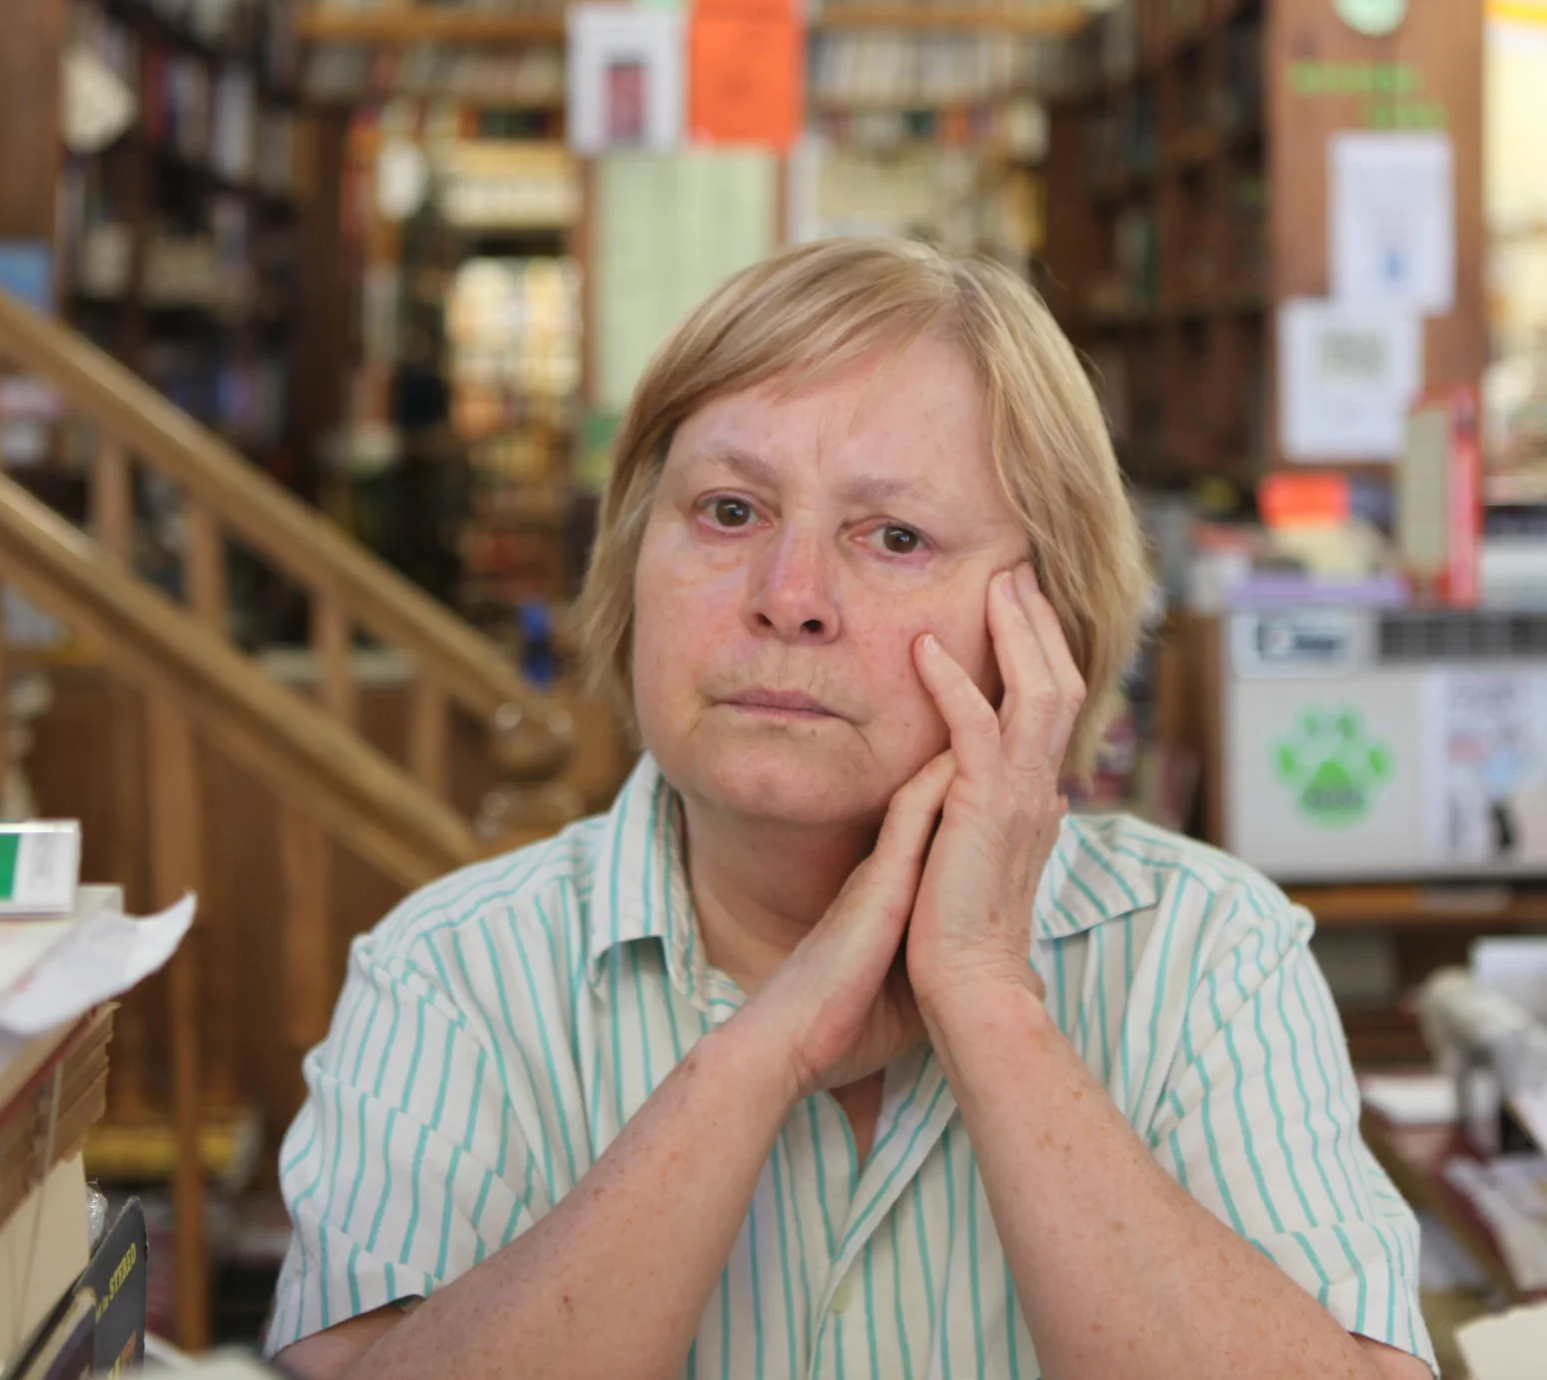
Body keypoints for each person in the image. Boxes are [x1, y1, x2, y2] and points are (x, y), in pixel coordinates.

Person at [267, 238, 1435, 1379]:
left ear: (1046, 629)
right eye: (729, 511)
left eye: (894, 535)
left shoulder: (1202, 949)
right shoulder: (453, 968)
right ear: (632, 561)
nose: (789, 597)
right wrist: (760, 1055)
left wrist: (985, 994)